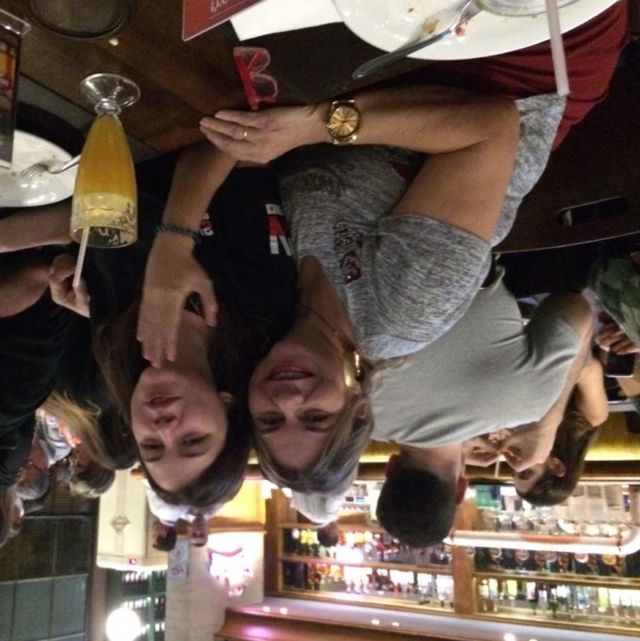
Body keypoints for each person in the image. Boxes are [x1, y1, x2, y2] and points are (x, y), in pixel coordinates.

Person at [512, 358, 608, 505]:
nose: (516, 464)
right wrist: (549, 420)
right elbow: (587, 366)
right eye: (525, 472)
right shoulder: (591, 417)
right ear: (556, 465)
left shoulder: (518, 431)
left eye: (514, 472)